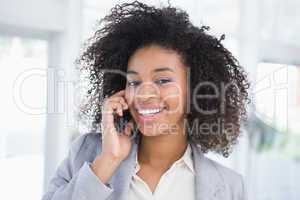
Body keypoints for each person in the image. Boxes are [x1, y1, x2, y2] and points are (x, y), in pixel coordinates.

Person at [42, 1, 250, 200]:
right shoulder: (86, 153)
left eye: (162, 80)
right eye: (133, 82)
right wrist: (108, 161)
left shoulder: (230, 186)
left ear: (196, 89)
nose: (143, 94)